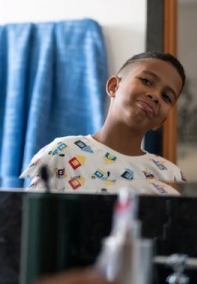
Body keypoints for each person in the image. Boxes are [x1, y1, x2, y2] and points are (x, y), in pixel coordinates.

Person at [20, 51, 187, 195]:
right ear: (114, 86)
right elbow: (32, 222)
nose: (155, 95)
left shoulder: (167, 175)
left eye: (166, 97)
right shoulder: (62, 153)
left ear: (162, 121)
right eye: (146, 81)